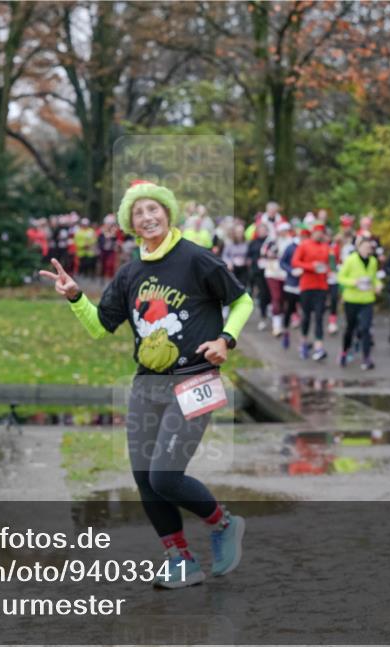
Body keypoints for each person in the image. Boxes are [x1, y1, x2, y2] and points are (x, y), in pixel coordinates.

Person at [40, 180, 251, 589]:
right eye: (138, 212)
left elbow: (241, 301)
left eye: (154, 209)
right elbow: (102, 328)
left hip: (195, 379)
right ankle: (180, 558)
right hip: (147, 385)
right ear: (130, 223)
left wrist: (226, 340)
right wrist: (74, 296)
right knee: (143, 476)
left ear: (167, 213)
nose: (148, 217)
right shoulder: (130, 272)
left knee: (165, 476)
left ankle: (223, 523)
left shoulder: (195, 259)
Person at [336, 237, 382, 370]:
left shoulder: (373, 261)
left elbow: (374, 279)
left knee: (365, 329)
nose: (367, 250)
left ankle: (366, 357)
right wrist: (353, 282)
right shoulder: (351, 260)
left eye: (369, 248)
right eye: (365, 247)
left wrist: (378, 286)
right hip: (351, 299)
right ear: (359, 248)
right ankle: (344, 351)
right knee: (350, 328)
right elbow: (341, 277)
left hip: (367, 300)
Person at [292, 218, 331, 360]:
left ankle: (319, 347)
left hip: (321, 286)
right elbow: (295, 262)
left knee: (320, 316)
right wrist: (311, 266)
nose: (319, 234)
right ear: (312, 232)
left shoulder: (327, 247)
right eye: (317, 232)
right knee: (306, 316)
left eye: (322, 232)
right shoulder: (304, 245)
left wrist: (328, 270)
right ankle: (303, 342)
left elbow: (330, 264)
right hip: (307, 286)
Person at [262, 221, 295, 337]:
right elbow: (264, 252)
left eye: (285, 230)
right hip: (272, 273)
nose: (283, 232)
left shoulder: (291, 242)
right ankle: (277, 326)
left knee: (284, 299)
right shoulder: (272, 240)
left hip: (285, 274)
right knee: (276, 297)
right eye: (281, 230)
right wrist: (270, 253)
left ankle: (282, 322)